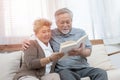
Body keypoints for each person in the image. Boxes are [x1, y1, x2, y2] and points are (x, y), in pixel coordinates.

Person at [23, 8, 108, 80]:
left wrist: (80, 52)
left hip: (83, 67)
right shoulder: (51, 33)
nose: (65, 25)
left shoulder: (80, 32)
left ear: (72, 21)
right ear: (56, 23)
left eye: (68, 22)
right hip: (64, 70)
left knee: (101, 73)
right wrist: (26, 42)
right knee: (67, 76)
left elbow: (88, 52)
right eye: (62, 23)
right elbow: (38, 35)